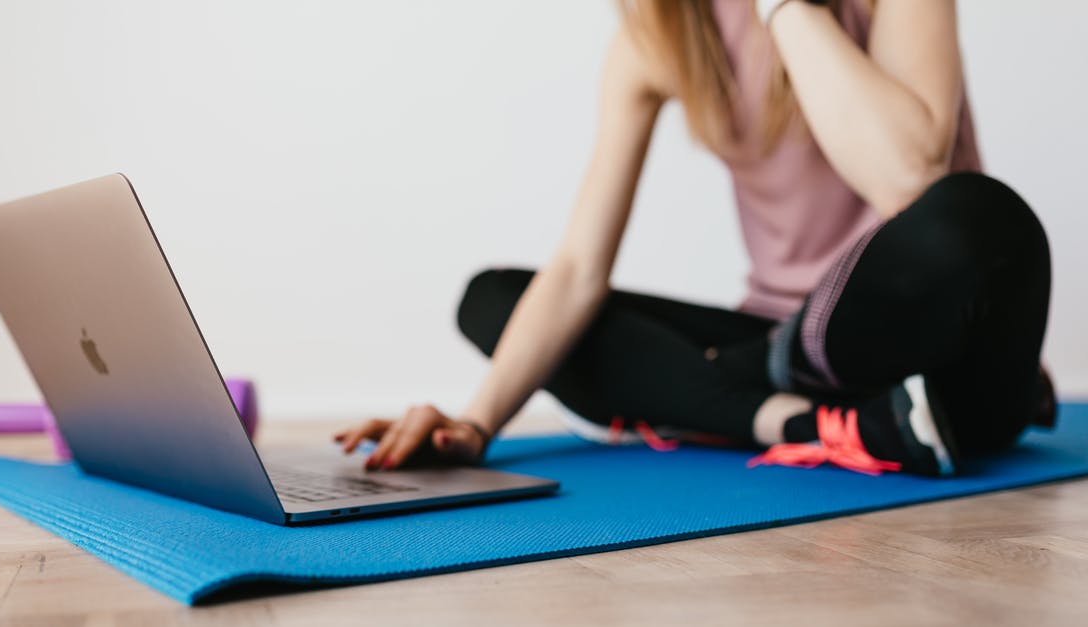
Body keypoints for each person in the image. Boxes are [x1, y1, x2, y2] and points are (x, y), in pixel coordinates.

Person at [333, 0, 1054, 477]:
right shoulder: (658, 36)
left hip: (927, 341)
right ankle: (801, 421)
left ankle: (728, 393)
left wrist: (781, 6)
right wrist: (476, 421)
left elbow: (909, 175)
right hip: (777, 345)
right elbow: (581, 267)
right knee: (493, 301)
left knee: (980, 218)